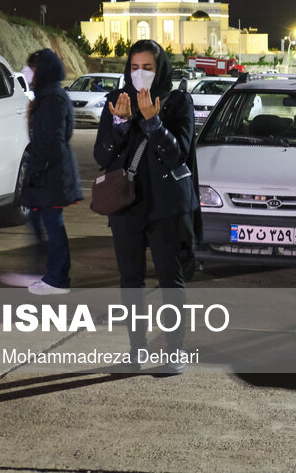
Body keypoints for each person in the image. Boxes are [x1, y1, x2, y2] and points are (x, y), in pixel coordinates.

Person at [93, 39, 199, 368]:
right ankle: (136, 350)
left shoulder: (177, 101)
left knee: (170, 277)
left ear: (160, 68)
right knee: (130, 280)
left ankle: (175, 350)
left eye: (148, 68)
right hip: (125, 205)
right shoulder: (116, 100)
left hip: (166, 206)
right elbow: (102, 155)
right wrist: (120, 124)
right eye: (135, 67)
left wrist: (154, 123)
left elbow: (178, 153)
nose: (140, 74)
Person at [20, 49, 83, 295]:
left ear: (44, 70)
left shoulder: (53, 99)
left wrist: (37, 169)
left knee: (52, 225)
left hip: (51, 175)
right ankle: (50, 273)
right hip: (47, 174)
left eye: (33, 68)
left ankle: (57, 279)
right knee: (40, 221)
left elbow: (55, 141)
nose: (29, 72)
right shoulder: (46, 96)